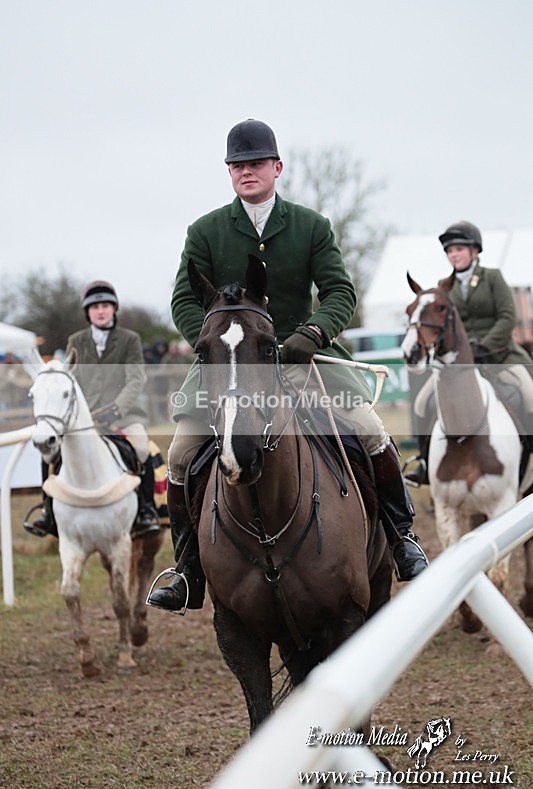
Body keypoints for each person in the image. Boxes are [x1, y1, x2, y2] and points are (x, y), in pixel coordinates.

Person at [147, 118, 428, 613]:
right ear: (229, 173)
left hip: (305, 360)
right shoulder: (205, 231)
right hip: (230, 366)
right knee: (180, 454)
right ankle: (186, 568)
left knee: (369, 428)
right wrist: (219, 345)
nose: (246, 171)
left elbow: (340, 291)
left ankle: (401, 538)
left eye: (255, 163)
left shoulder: (311, 226)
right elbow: (183, 302)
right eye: (237, 165)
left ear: (276, 167)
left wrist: (312, 332)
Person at [24, 280, 160, 538]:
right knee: (49, 453)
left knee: (141, 447)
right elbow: (69, 380)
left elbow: (135, 379)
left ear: (114, 309)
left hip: (123, 414)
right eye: (95, 306)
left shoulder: (130, 340)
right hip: (83, 419)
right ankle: (48, 512)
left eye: (106, 305)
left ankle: (145, 511)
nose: (101, 311)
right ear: (88, 311)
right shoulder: (76, 340)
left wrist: (117, 409)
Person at [405, 220, 533, 485]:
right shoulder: (444, 286)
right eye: (449, 251)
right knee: (421, 403)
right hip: (459, 363)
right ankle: (425, 461)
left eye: (459, 249)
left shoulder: (492, 277)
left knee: (528, 393)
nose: (454, 255)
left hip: (498, 355)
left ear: (475, 251)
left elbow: (507, 316)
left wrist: (484, 344)